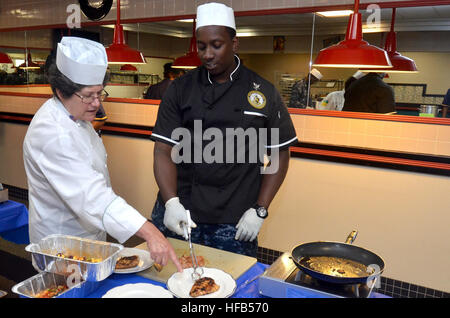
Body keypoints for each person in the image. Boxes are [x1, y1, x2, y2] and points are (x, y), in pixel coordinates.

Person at [149, 2, 298, 257]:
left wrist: (260, 209)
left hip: (235, 218)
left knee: (233, 285)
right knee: (170, 280)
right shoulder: (180, 88)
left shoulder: (262, 92)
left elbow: (279, 155)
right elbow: (163, 149)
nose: (208, 54)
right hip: (181, 211)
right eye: (202, 46)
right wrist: (171, 201)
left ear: (234, 43)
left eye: (216, 45)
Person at [23, 36, 182, 271]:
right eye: (88, 95)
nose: (96, 103)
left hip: (89, 239)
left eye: (100, 93)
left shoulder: (76, 115)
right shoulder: (52, 132)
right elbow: (91, 195)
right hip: (61, 246)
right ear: (60, 91)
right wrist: (149, 231)